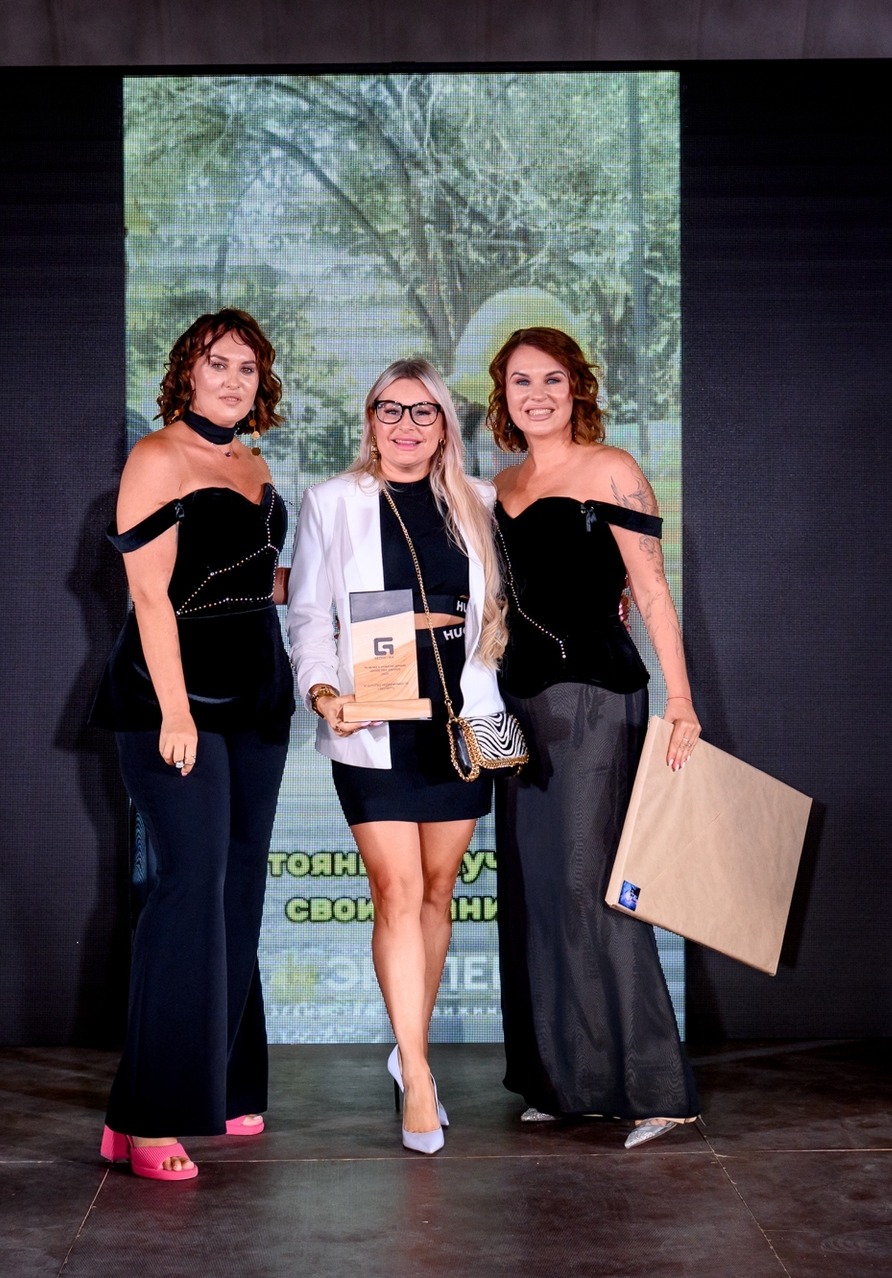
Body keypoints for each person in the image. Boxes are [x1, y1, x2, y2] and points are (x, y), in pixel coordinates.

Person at [88, 309, 294, 1181]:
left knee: (239, 891)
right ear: (187, 371)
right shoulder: (157, 456)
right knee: (188, 892)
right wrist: (176, 711)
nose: (234, 379)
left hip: (258, 698)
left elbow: (255, 582)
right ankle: (146, 1118)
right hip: (175, 704)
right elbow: (150, 596)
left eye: (248, 367)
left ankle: (223, 1084)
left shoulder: (253, 462)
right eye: (218, 363)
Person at [487, 326, 702, 1148]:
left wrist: (683, 701)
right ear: (502, 396)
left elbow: (651, 592)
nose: (536, 394)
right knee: (536, 891)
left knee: (593, 884)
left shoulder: (613, 468)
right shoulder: (500, 484)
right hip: (521, 709)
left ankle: (657, 1089)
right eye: (520, 382)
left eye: (551, 379)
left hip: (597, 700)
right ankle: (565, 1082)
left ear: (576, 386)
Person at [287, 359, 508, 1155]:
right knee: (397, 889)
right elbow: (308, 618)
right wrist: (324, 694)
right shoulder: (331, 502)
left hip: (460, 719)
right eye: (391, 409)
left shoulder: (481, 501)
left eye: (423, 412)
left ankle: (406, 1043)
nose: (406, 425)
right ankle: (417, 1074)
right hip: (371, 719)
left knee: (438, 891)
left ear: (444, 424)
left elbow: (507, 603)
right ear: (370, 418)